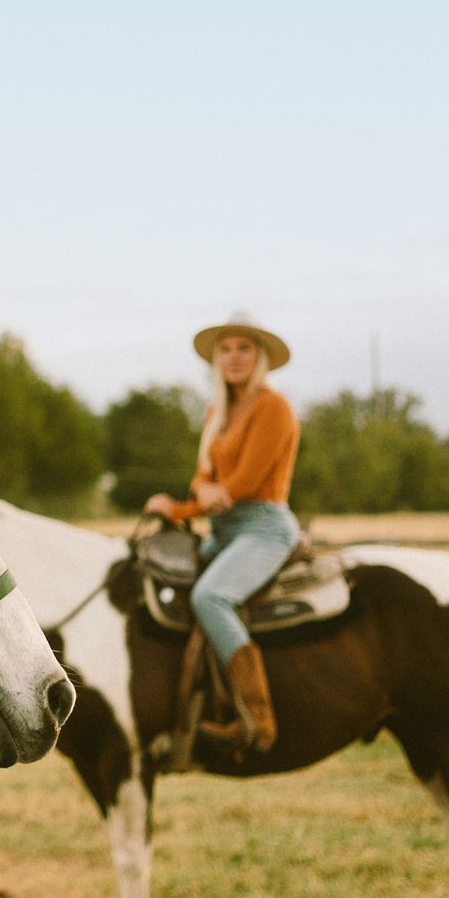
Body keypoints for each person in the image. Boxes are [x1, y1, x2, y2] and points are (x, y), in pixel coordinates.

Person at [145, 314, 300, 752]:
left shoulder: (274, 407)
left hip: (263, 527)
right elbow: (202, 477)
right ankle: (189, 705)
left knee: (210, 596)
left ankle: (258, 721)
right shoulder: (218, 410)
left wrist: (177, 508)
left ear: (260, 357)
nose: (234, 358)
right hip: (225, 530)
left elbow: (244, 485)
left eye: (244, 348)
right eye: (226, 349)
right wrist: (201, 494)